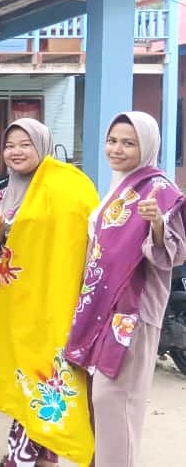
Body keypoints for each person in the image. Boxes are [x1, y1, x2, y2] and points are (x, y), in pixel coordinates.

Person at [65, 112, 186, 467]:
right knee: (100, 399)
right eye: (112, 141)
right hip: (101, 306)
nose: (117, 149)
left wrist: (158, 225)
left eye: (128, 143)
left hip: (132, 310)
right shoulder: (121, 185)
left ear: (146, 145)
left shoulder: (161, 190)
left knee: (115, 400)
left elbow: (173, 255)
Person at [0, 118, 64, 467]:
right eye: (10, 145)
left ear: (43, 146)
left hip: (51, 297)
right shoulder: (3, 192)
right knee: (22, 374)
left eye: (25, 144)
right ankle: (28, 451)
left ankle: (38, 454)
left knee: (44, 374)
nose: (15, 152)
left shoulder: (60, 191)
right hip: (13, 297)